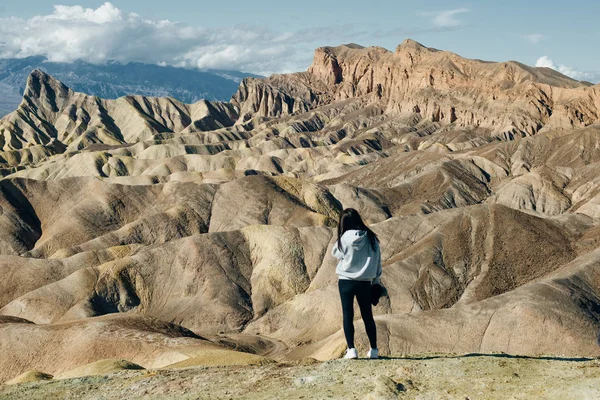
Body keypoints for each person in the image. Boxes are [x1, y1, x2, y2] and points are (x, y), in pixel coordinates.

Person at [332, 208, 382, 359]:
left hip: (346, 282)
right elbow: (378, 262)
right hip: (365, 283)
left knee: (348, 315)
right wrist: (376, 281)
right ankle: (374, 350)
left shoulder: (343, 239)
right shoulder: (372, 238)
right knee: (367, 315)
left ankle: (351, 350)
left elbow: (335, 253)